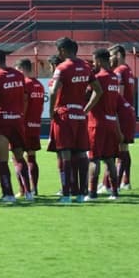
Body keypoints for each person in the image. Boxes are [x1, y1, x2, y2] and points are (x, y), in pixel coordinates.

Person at [49, 37, 102, 203]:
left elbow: (53, 92)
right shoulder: (87, 66)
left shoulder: (62, 67)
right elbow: (98, 91)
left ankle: (65, 195)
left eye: (59, 50)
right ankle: (80, 194)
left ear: (63, 50)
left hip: (64, 114)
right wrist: (86, 109)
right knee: (80, 154)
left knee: (65, 154)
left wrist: (51, 112)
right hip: (79, 115)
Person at [0, 49, 29, 203]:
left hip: (3, 121)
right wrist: (20, 115)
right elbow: (25, 98)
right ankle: (28, 192)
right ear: (5, 59)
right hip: (17, 120)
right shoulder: (19, 75)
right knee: (19, 157)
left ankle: (8, 194)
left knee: (2, 160)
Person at [85, 48, 121, 201]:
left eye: (94, 61)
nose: (93, 64)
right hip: (111, 122)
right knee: (110, 159)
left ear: (98, 60)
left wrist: (84, 110)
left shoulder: (98, 77)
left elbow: (88, 94)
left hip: (97, 123)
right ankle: (114, 192)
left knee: (94, 159)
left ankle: (92, 193)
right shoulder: (114, 77)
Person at [106, 44, 136, 191]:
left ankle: (112, 184)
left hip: (120, 113)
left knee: (115, 149)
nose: (109, 59)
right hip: (128, 111)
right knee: (124, 147)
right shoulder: (128, 70)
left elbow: (119, 93)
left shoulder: (118, 71)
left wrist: (113, 112)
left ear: (118, 55)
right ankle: (125, 181)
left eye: (111, 55)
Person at [14, 58, 45, 196]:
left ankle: (23, 190)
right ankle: (35, 188)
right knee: (31, 157)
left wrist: (20, 119)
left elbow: (24, 102)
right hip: (35, 125)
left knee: (17, 158)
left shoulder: (24, 84)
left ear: (21, 69)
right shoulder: (39, 84)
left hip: (23, 126)